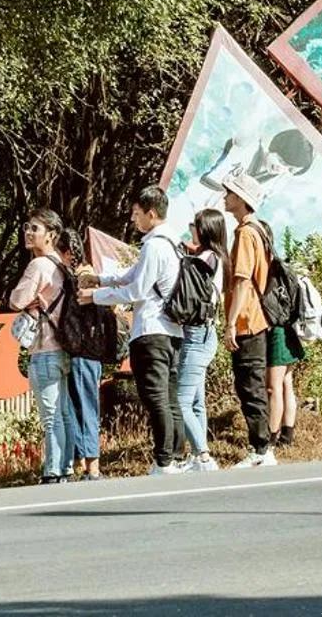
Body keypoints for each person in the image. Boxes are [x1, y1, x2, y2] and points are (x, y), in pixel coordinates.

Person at [80, 184, 183, 476]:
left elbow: (136, 290)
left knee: (155, 396)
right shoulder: (173, 243)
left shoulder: (153, 245)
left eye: (137, 214)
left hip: (152, 330)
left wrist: (95, 296)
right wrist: (99, 279)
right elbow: (131, 275)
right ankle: (175, 456)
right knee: (170, 395)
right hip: (173, 331)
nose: (133, 220)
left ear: (151, 213)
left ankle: (163, 460)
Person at [9, 208, 72, 484]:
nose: (28, 232)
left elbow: (16, 300)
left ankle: (52, 469)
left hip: (45, 349)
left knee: (50, 415)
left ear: (52, 235)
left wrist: (23, 297)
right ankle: (66, 467)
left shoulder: (38, 266)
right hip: (66, 348)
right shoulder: (63, 266)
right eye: (27, 226)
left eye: (35, 228)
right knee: (65, 412)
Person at [220, 173, 277, 468]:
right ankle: (263, 447)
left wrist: (230, 323)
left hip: (247, 319)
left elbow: (242, 281)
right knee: (252, 382)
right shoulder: (259, 230)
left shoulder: (245, 233)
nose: (225, 197)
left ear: (241, 199)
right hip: (258, 319)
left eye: (229, 193)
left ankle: (261, 449)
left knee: (249, 384)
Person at [174, 207, 228, 471]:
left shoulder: (205, 258)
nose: (191, 229)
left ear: (204, 229)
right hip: (207, 332)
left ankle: (203, 456)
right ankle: (197, 457)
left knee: (180, 401)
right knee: (196, 402)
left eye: (194, 225)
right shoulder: (218, 257)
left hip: (196, 334)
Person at [56, 228, 102, 481]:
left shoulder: (85, 276)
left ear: (66, 252)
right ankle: (79, 461)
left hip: (85, 350)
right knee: (74, 406)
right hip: (76, 350)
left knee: (85, 406)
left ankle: (92, 464)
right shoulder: (75, 274)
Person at [267, 263, 305, 449]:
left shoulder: (271, 272)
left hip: (277, 333)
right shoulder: (284, 269)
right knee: (286, 383)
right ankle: (287, 435)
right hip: (289, 330)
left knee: (273, 387)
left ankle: (271, 438)